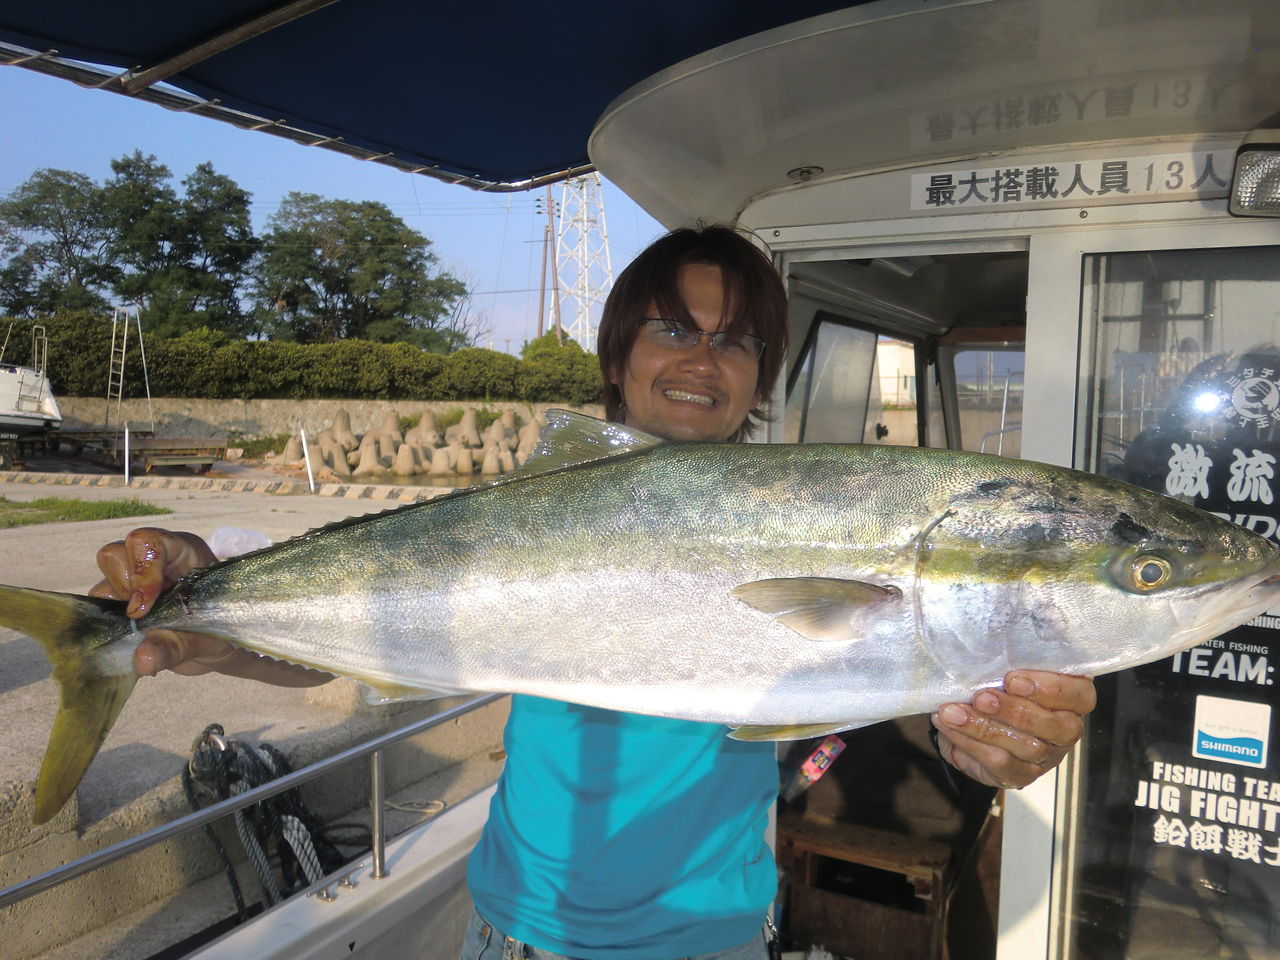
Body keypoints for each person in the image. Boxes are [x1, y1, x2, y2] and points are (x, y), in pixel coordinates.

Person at [91, 226, 1096, 960]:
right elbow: (400, 633)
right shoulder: (535, 509)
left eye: (736, 341)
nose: (702, 357)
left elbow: (907, 692)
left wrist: (995, 738)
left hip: (713, 940)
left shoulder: (805, 512)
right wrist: (208, 624)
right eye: (671, 328)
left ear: (759, 381)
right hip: (513, 927)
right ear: (617, 359)